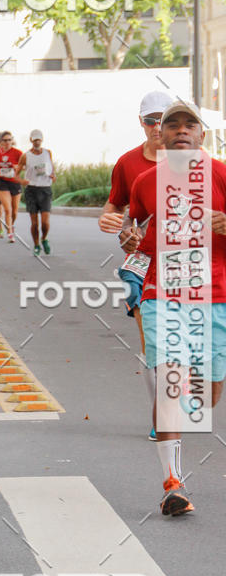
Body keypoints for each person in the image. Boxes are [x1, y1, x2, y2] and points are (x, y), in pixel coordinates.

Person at [123, 100, 226, 516]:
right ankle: (172, 484)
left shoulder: (221, 173)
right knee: (171, 383)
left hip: (214, 296)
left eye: (190, 124)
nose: (181, 130)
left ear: (202, 134)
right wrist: (129, 240)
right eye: (172, 124)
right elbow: (137, 234)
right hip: (161, 293)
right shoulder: (146, 181)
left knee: (206, 396)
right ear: (160, 135)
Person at [98, 90, 173, 439]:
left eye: (164, 120)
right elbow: (114, 209)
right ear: (141, 123)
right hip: (141, 262)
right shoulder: (127, 164)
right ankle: (161, 417)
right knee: (151, 339)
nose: (157, 127)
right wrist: (110, 223)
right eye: (150, 121)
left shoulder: (195, 161)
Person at [18, 129, 55, 255]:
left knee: (45, 222)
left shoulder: (48, 153)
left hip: (45, 189)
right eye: (35, 140)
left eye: (39, 140)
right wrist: (22, 181)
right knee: (34, 222)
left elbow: (51, 168)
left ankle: (44, 239)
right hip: (32, 189)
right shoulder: (25, 156)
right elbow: (16, 174)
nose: (37, 142)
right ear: (31, 141)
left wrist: (53, 175)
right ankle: (36, 245)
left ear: (42, 140)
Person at [0, 130, 22, 242]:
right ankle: (10, 233)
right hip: (2, 182)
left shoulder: (18, 153)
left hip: (14, 182)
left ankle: (11, 225)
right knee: (7, 209)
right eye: (5, 140)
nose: (7, 142)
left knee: (14, 211)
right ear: (0, 142)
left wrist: (17, 167)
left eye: (9, 140)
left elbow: (25, 167)